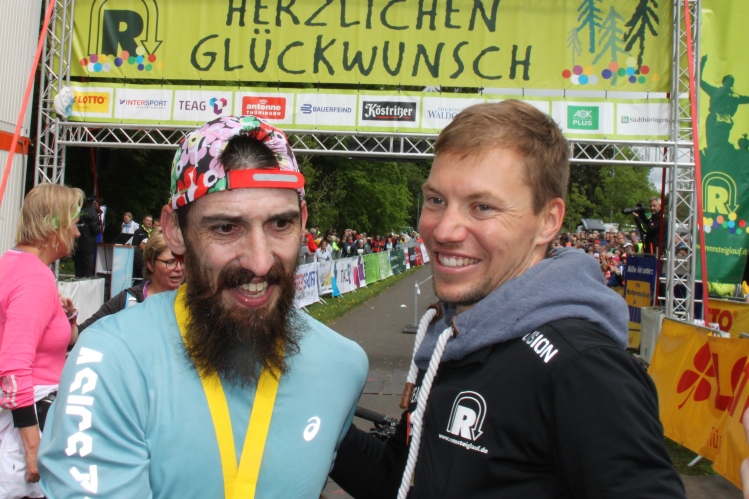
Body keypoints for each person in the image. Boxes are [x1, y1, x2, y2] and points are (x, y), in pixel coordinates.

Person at [330, 101, 685, 498]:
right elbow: (401, 478)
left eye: (482, 207)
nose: (444, 230)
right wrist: (313, 415)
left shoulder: (583, 368)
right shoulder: (455, 333)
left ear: (548, 221)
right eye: (436, 200)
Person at [38, 115, 367, 497]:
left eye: (280, 224)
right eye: (225, 228)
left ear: (303, 221)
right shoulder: (110, 361)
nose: (260, 262)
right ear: (175, 230)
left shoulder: (343, 367)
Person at [0, 183, 82, 498]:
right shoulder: (33, 275)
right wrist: (33, 447)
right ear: (54, 226)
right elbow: (13, 366)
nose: (77, 233)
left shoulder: (16, 263)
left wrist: (66, 317)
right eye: (73, 224)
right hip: (24, 428)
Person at [76, 230, 185, 333]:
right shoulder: (127, 300)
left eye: (183, 261)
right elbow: (83, 331)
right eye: (170, 262)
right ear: (150, 264)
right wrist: (69, 323)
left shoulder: (191, 300)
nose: (179, 268)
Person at [73, 195, 101, 277]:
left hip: (78, 244)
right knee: (88, 268)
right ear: (95, 203)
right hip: (89, 244)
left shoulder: (81, 211)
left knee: (78, 268)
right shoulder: (93, 213)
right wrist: (100, 228)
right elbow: (94, 230)